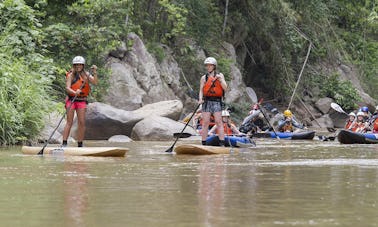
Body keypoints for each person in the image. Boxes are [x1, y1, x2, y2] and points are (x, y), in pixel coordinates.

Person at [62, 56, 98, 147]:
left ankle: (80, 144)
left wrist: (94, 72)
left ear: (83, 65)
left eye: (80, 65)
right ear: (74, 65)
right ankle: (64, 143)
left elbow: (95, 82)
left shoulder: (86, 74)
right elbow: (67, 88)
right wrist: (75, 92)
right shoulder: (71, 75)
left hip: (81, 101)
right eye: (76, 65)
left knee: (81, 122)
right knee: (69, 122)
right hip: (71, 100)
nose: (78, 66)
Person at [199, 57, 227, 146]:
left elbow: (225, 88)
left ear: (214, 66)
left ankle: (222, 142)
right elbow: (201, 90)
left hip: (217, 101)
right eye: (207, 66)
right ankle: (203, 143)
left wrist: (221, 80)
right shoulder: (204, 78)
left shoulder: (220, 75)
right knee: (205, 123)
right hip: (207, 101)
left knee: (219, 122)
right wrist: (200, 99)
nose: (208, 67)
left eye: (210, 65)